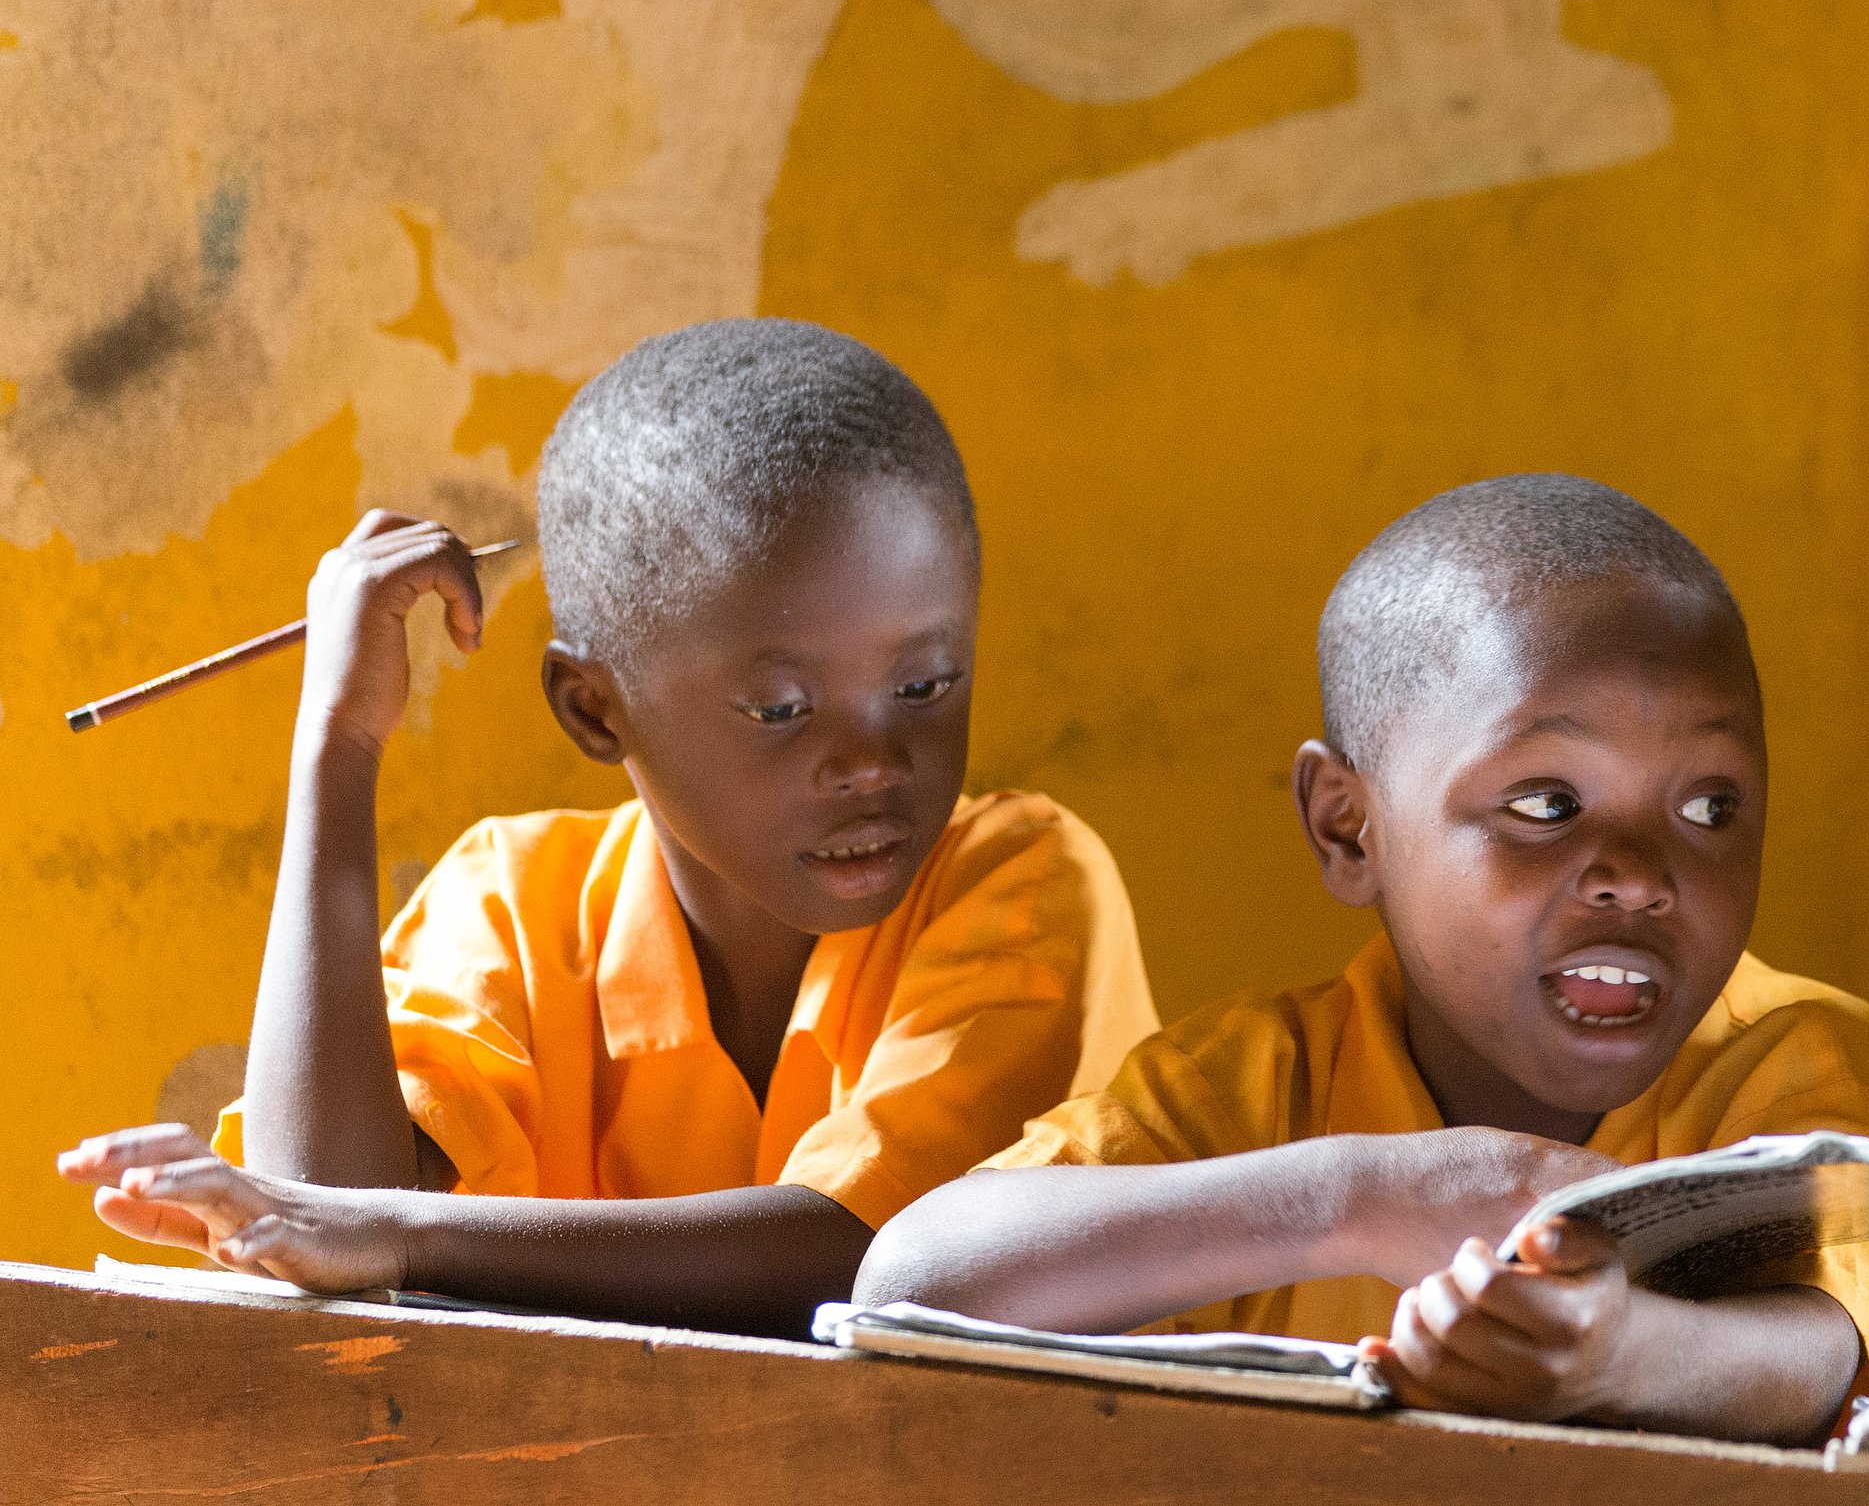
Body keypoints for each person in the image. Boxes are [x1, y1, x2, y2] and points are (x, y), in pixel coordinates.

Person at [60, 319, 1156, 1334]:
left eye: (925, 684)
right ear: (595, 708)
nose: (872, 761)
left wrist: (406, 1235)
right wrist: (338, 748)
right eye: (780, 708)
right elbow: (322, 1226)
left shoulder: (1020, 882)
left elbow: (876, 1268)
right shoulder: (516, 902)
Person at [859, 474, 1869, 1441]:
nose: (1641, 876)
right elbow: (913, 1278)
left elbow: (1820, 1351)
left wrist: (1619, 1355)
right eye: (1546, 804)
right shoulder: (1258, 1086)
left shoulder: (1790, 1060)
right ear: (1347, 827)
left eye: (1712, 805)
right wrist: (1367, 1198)